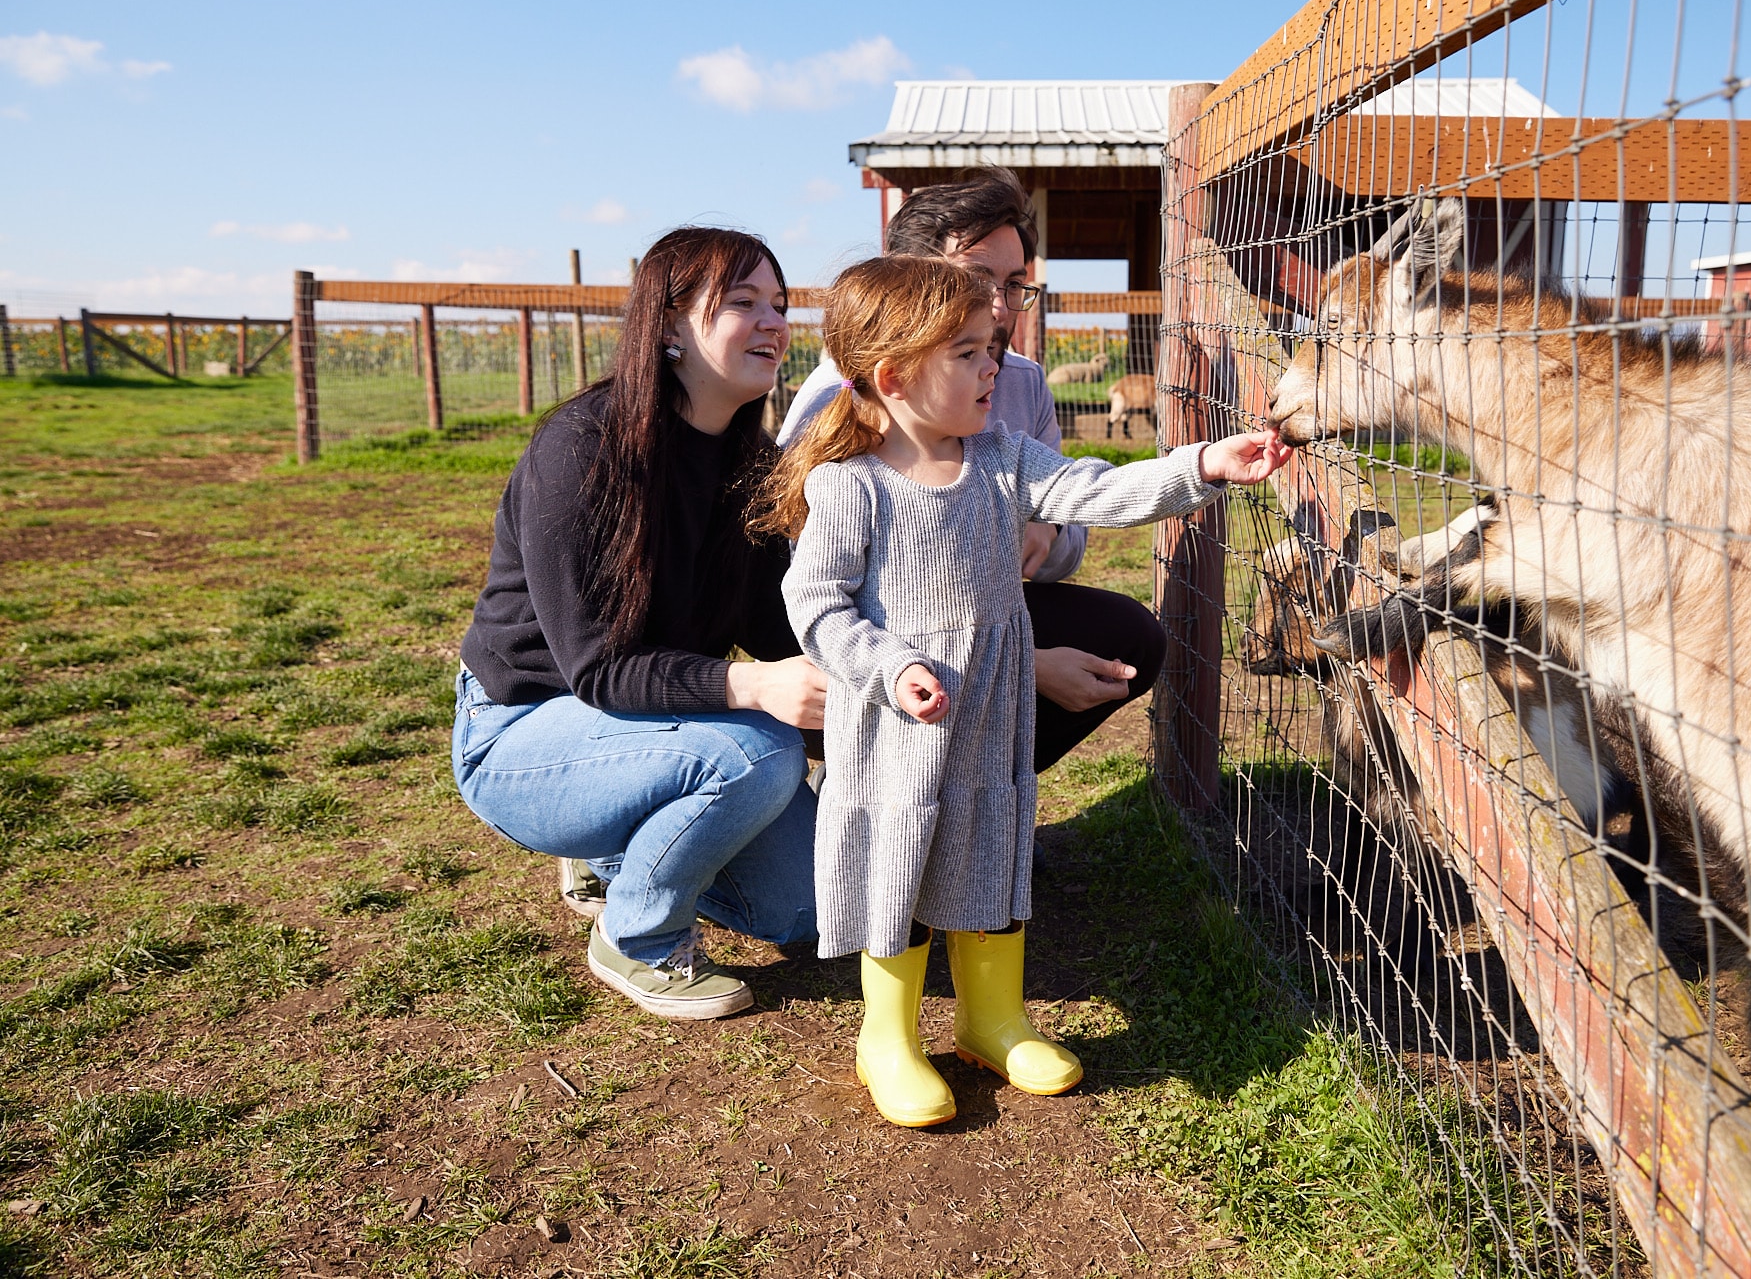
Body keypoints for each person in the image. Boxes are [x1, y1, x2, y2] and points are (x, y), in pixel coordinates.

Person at [754, 255, 1291, 1127]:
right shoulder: (849, 485)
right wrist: (892, 667)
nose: (991, 367)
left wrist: (1205, 464)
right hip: (899, 730)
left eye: (990, 347)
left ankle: (993, 1020)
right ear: (892, 378)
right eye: (966, 352)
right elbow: (813, 609)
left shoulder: (1004, 458)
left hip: (992, 715)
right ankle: (886, 1037)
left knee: (991, 846)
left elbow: (1101, 489)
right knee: (904, 862)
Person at [452, 227, 830, 1022]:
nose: (774, 323)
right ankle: (638, 936)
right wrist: (757, 688)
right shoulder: (583, 448)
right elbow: (598, 670)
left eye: (781, 305)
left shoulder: (748, 463)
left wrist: (868, 691)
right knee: (757, 751)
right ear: (666, 326)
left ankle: (615, 844)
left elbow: (771, 624)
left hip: (652, 724)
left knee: (813, 909)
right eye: (742, 303)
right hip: (524, 729)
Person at [778, 166, 1162, 772]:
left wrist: (1049, 531)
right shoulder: (840, 396)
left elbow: (1077, 512)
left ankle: (989, 794)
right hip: (872, 629)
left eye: (1015, 284)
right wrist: (1027, 663)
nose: (1000, 308)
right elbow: (815, 584)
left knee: (1131, 636)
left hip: (982, 606)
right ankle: (860, 775)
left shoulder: (1023, 383)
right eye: (978, 279)